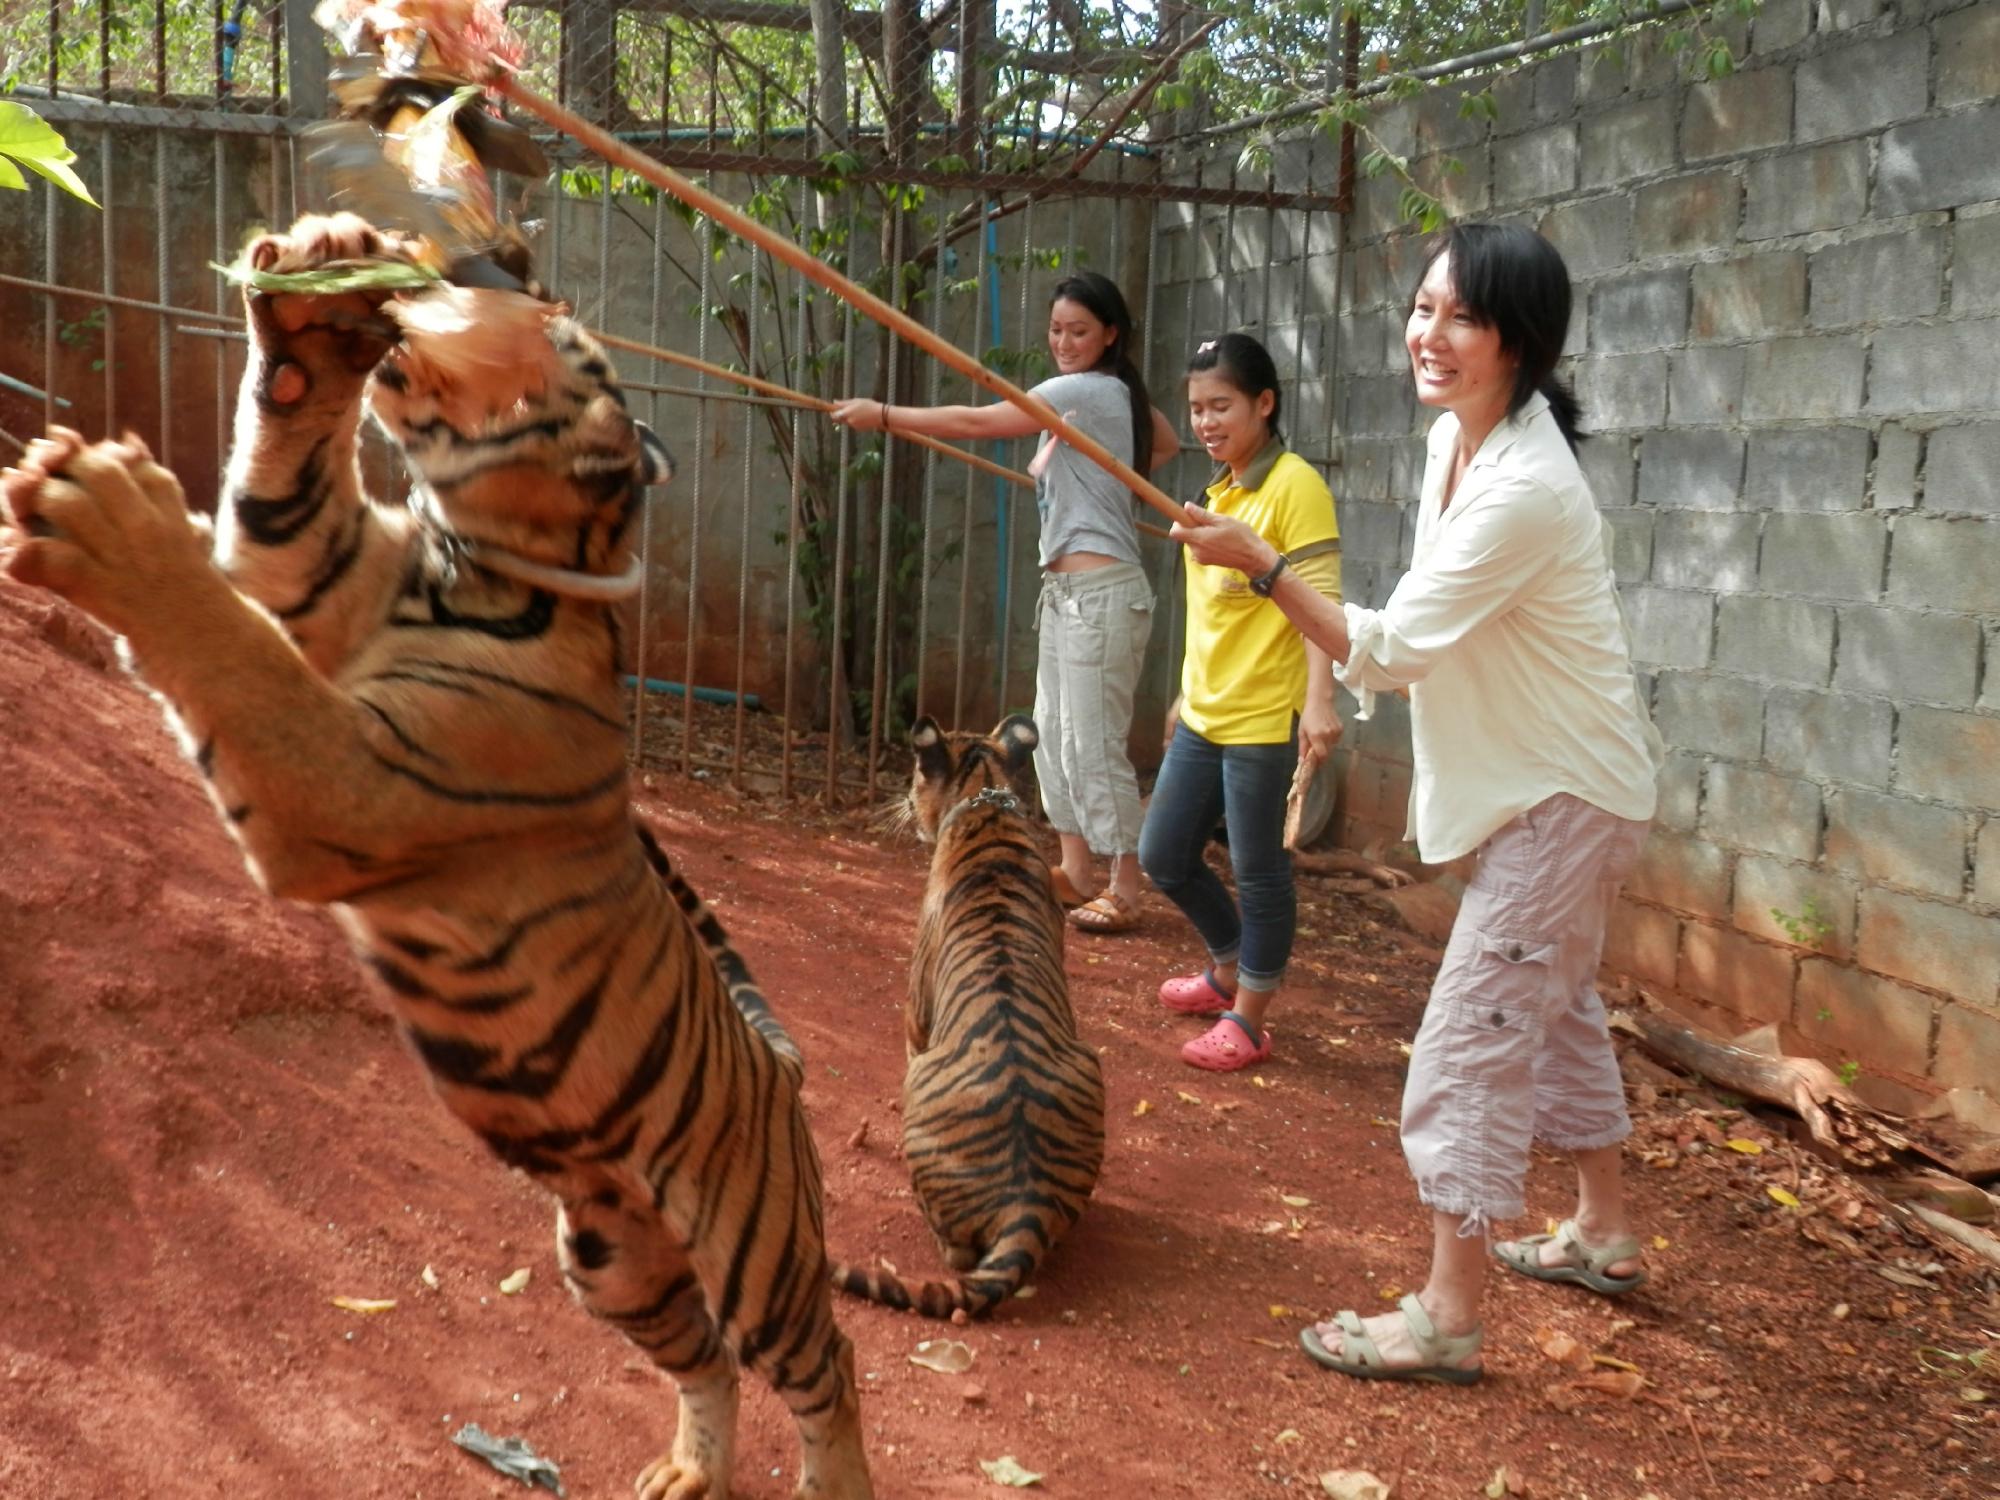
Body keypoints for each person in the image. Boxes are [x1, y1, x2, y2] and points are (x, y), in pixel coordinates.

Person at [1171, 222, 1663, 1382]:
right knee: (1554, 1013)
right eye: (1420, 307)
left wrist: (1262, 564)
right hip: (1551, 792)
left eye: (1458, 317)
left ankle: (1445, 1318)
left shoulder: (1526, 487)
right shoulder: (1461, 437)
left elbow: (1386, 653)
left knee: (1467, 1049)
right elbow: (1412, 630)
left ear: (1518, 343)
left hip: (1562, 803)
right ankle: (1600, 1230)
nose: (1425, 335)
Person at [832, 272, 1178, 936]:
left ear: (1110, 336)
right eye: (1055, 330)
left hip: (1102, 594)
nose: (1064, 342)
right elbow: (1159, 442)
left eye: (1079, 331)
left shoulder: (1084, 392)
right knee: (1054, 737)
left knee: (1093, 741)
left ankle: (1126, 886)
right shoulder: (1107, 399)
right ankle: (1076, 873)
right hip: (1069, 592)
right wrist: (1105, 473)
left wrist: (883, 416)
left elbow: (976, 420)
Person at [1137, 332, 1342, 1073]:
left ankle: (1250, 1017)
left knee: (1259, 872)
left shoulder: (1294, 486)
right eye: (1195, 409)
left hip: (1263, 716)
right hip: (1204, 712)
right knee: (1162, 854)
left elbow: (1321, 602)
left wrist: (1319, 701)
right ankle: (1226, 964)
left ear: (1265, 402)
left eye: (1221, 405)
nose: (1206, 422)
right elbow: (1212, 614)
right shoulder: (1218, 491)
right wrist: (1183, 695)